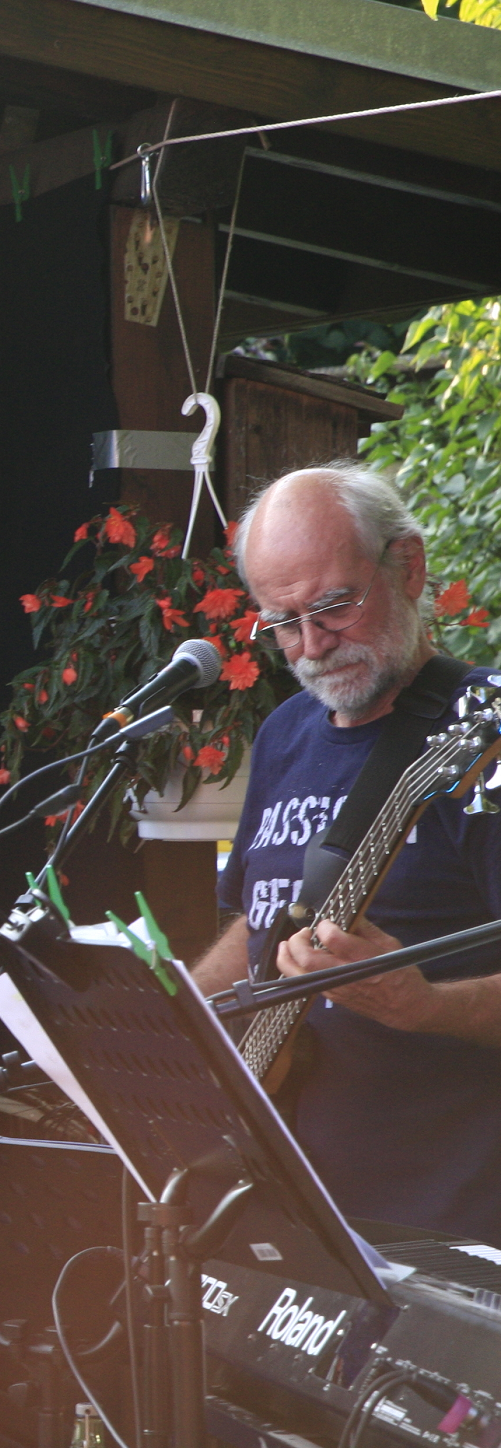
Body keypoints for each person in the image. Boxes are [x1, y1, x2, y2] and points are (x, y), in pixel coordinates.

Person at [192, 462, 501, 1248]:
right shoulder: (284, 734)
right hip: (293, 1218)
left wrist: (427, 1005)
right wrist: (176, 1018)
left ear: (408, 567)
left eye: (333, 606)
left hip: (449, 1234)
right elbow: (259, 920)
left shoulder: (485, 731)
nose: (312, 646)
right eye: (282, 622)